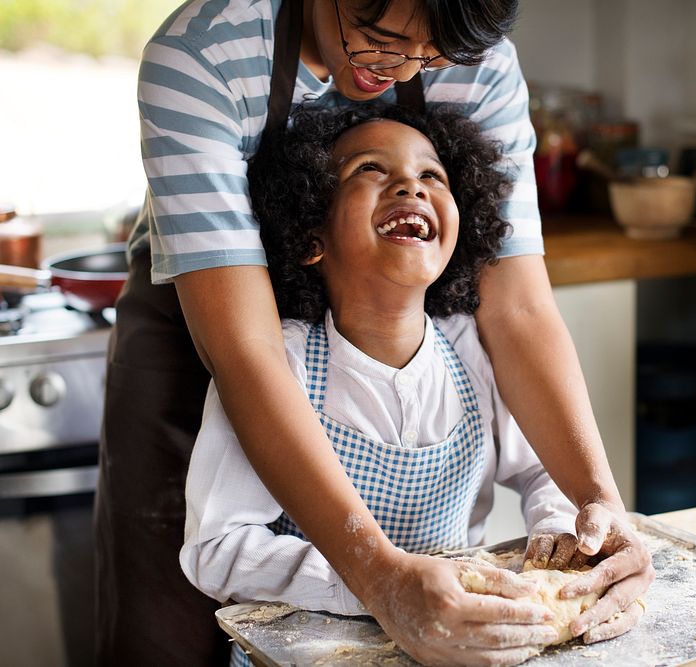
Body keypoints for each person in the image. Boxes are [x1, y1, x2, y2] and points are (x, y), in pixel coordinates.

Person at [96, 1, 653, 665]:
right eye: (380, 40)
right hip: (206, 325)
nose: (401, 71)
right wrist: (377, 576)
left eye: (431, 57)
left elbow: (518, 310)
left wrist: (599, 503)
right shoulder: (204, 56)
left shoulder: (475, 61)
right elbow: (247, 350)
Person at [184, 102, 597, 667]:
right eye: (371, 170)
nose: (411, 185)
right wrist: (371, 585)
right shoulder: (278, 362)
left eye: (432, 175)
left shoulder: (474, 350)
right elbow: (218, 550)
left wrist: (555, 533)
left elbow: (541, 469)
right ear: (311, 235)